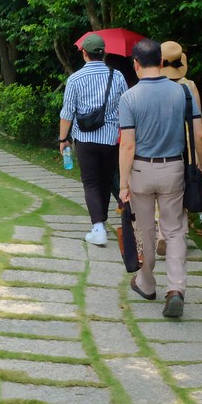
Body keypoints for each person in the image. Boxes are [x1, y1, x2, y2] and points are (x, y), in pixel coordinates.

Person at [118, 38, 202, 318]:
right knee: (175, 230)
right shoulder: (184, 94)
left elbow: (128, 145)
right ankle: (176, 289)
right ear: (161, 62)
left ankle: (146, 283)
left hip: (142, 172)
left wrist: (123, 184)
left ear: (135, 65)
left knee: (144, 231)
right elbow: (200, 134)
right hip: (174, 170)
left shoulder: (129, 97)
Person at [58, 33, 129, 247]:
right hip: (110, 139)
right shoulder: (117, 76)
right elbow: (125, 106)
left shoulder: (75, 79)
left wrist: (63, 139)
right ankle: (102, 223)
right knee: (105, 181)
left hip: (85, 139)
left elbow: (67, 112)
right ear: (104, 53)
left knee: (90, 182)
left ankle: (98, 227)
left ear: (84, 53)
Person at [154, 41, 202, 257]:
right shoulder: (189, 86)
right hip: (185, 148)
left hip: (158, 145)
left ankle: (161, 234)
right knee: (181, 190)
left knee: (159, 192)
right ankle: (177, 236)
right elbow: (199, 127)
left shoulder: (153, 86)